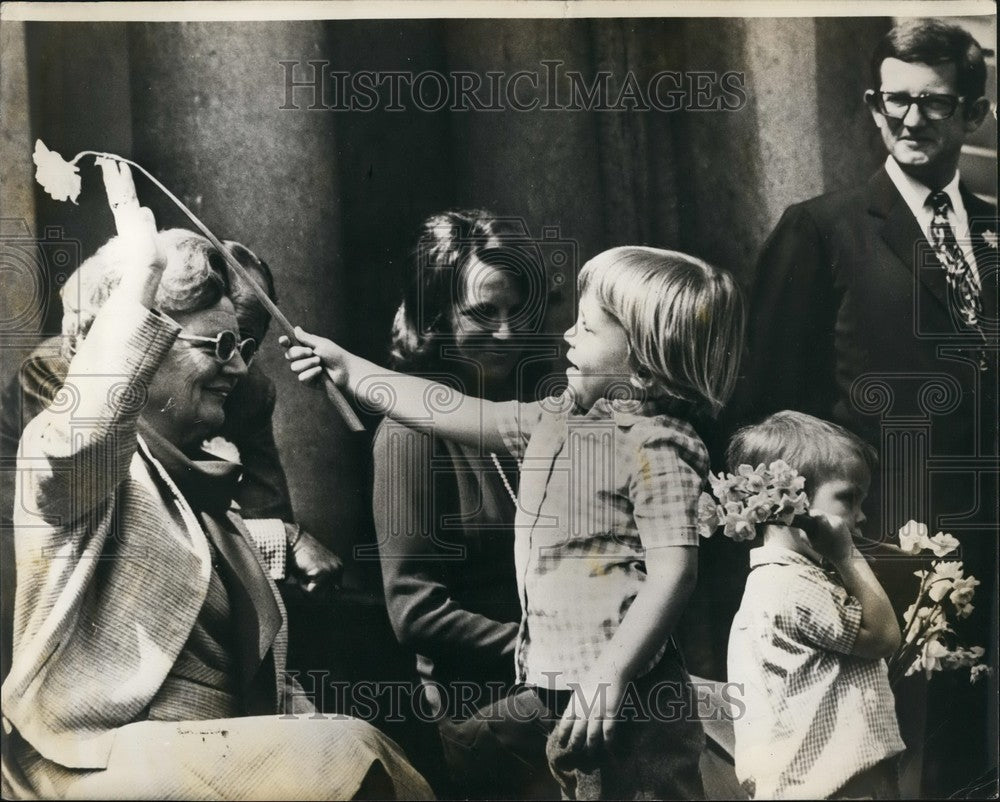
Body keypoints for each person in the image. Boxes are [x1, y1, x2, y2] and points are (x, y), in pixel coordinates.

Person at [0, 161, 432, 800]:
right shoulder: (69, 460)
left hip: (208, 763)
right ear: (140, 346)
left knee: (359, 745)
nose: (238, 368)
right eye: (216, 346)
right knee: (347, 751)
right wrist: (142, 277)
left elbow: (271, 679)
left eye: (242, 346)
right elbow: (84, 434)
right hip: (90, 762)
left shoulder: (206, 497)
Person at [285, 245, 746, 799]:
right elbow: (449, 409)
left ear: (645, 366)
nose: (568, 337)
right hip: (557, 691)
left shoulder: (659, 444)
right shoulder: (555, 420)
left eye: (589, 328)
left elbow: (675, 574)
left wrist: (611, 677)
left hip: (631, 700)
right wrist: (350, 368)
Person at [734, 19, 997, 795]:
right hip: (886, 559)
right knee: (902, 770)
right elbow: (772, 417)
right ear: (873, 106)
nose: (911, 119)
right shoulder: (820, 230)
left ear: (974, 114)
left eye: (935, 103)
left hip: (993, 544)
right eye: (894, 101)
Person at [373, 210, 554, 798]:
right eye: (483, 314)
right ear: (438, 319)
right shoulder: (412, 433)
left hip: (557, 687)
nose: (506, 333)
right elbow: (414, 610)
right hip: (480, 713)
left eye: (516, 312)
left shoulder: (531, 417)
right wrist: (544, 650)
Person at [726, 411, 906, 799]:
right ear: (791, 502)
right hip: (832, 784)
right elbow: (885, 636)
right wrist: (847, 555)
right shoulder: (792, 586)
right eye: (848, 498)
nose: (860, 516)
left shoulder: (785, 580)